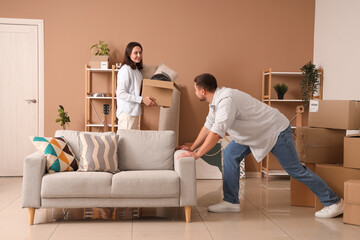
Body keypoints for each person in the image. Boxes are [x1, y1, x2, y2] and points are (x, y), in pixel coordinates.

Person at [177, 73, 344, 218]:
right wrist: (192, 148)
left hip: (274, 130)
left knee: (295, 170)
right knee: (229, 155)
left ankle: (334, 202)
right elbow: (208, 126)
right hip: (254, 134)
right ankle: (231, 202)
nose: (195, 92)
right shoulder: (215, 102)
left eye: (195, 89)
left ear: (203, 91)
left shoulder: (226, 101)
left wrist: (197, 155)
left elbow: (216, 132)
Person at [116, 42, 156, 130]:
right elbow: (121, 93)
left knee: (132, 142)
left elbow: (140, 92)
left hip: (135, 113)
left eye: (140, 52)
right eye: (135, 53)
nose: (139, 55)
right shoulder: (125, 70)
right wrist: (141, 99)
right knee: (125, 142)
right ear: (129, 54)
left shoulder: (137, 72)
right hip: (127, 113)